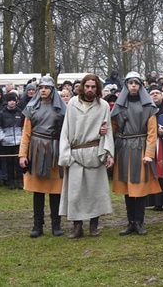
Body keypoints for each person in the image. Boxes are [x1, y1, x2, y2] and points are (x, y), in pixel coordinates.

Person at [58, 74, 114, 239]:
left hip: (94, 152)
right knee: (75, 192)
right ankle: (77, 227)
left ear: (97, 88)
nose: (90, 90)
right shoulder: (73, 104)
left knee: (94, 191)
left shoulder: (103, 105)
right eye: (87, 86)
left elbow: (107, 130)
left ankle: (94, 226)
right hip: (75, 153)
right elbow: (65, 130)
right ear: (82, 87)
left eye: (93, 87)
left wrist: (108, 153)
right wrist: (65, 154)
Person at [111, 72, 161, 236]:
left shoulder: (148, 107)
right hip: (123, 147)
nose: (133, 86)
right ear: (126, 85)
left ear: (140, 85)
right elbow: (113, 128)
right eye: (130, 83)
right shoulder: (119, 106)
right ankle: (130, 222)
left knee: (139, 187)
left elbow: (152, 132)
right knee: (127, 186)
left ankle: (139, 222)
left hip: (140, 147)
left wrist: (149, 153)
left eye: (136, 83)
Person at [19, 76, 67, 237]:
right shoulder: (32, 108)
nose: (43, 90)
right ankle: (37, 225)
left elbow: (66, 132)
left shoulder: (61, 109)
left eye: (47, 87)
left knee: (55, 190)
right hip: (36, 149)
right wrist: (22, 154)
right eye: (41, 87)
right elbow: (26, 133)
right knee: (38, 190)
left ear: (52, 89)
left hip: (54, 149)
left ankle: (56, 224)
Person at [146, 85, 163, 211]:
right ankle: (154, 201)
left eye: (157, 93)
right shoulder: (145, 110)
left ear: (162, 95)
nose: (155, 95)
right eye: (152, 93)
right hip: (151, 144)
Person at [0, 92, 24, 189]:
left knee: (18, 162)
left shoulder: (20, 113)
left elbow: (23, 127)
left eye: (13, 101)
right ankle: (11, 181)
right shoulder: (2, 113)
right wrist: (2, 137)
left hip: (18, 141)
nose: (12, 103)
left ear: (16, 102)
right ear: (7, 102)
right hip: (6, 142)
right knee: (9, 162)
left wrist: (22, 138)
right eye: (10, 101)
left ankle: (20, 180)